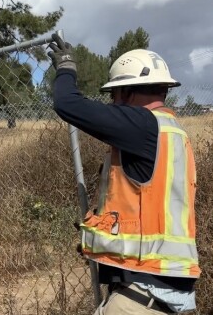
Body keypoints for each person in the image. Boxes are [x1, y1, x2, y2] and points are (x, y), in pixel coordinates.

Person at [48, 34, 200, 314]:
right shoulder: (175, 134)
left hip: (140, 295)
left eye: (114, 95)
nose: (113, 104)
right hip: (167, 291)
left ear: (129, 91)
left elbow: (67, 104)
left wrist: (65, 68)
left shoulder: (143, 125)